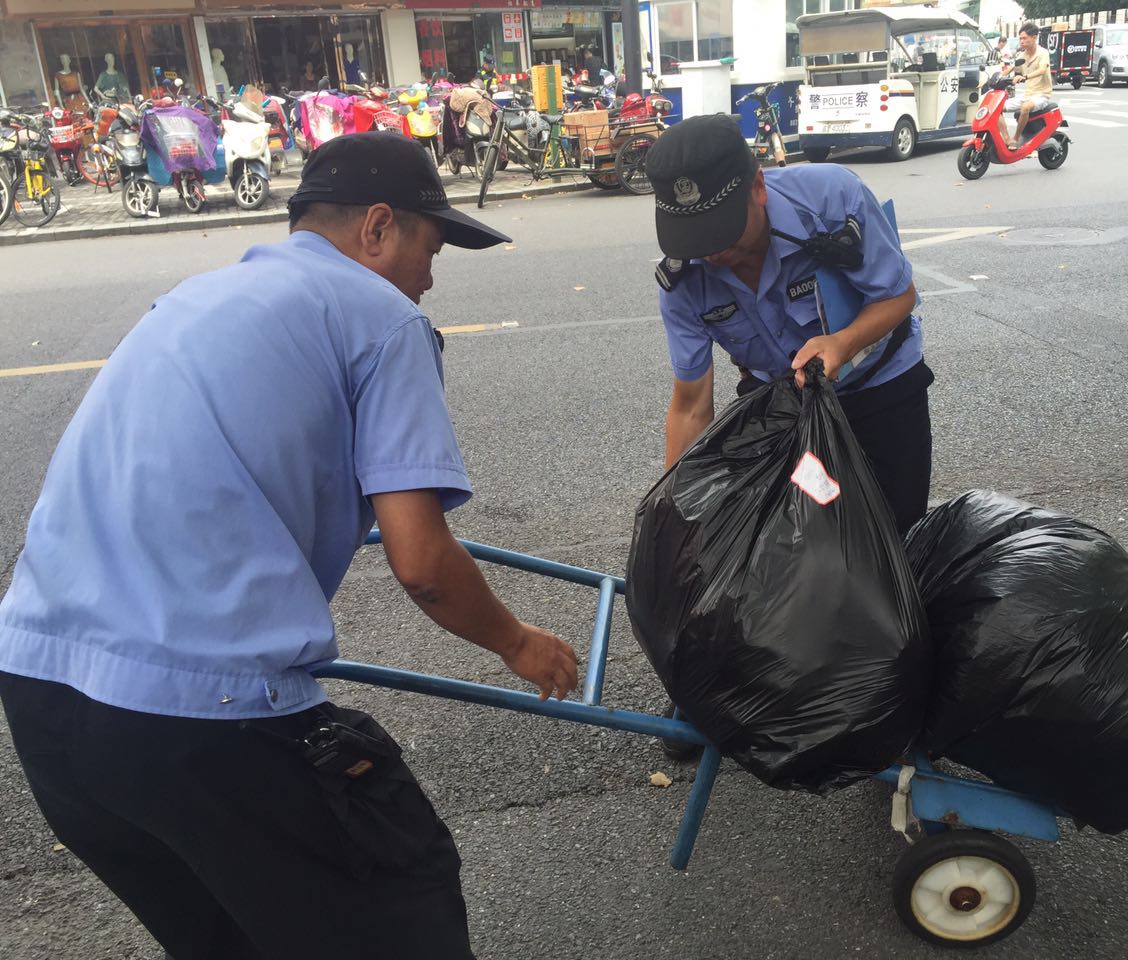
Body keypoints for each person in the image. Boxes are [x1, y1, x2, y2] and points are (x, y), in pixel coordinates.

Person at [0, 132, 578, 960]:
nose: (431, 272)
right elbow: (422, 565)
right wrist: (518, 643)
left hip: (42, 694)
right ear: (378, 227)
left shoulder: (196, 297)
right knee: (399, 905)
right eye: (431, 243)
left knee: (232, 937)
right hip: (202, 716)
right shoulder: (383, 319)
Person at [646, 114, 933, 538]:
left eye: (721, 233)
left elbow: (899, 295)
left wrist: (843, 343)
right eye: (695, 239)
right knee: (795, 550)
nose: (711, 253)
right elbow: (690, 407)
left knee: (896, 538)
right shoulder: (683, 281)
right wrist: (669, 513)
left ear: (758, 188)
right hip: (782, 406)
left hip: (879, 387)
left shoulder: (833, 199)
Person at [1000, 23, 1051, 150]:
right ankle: (1007, 139)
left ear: (1034, 37)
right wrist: (992, 77)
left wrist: (1025, 77)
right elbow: (1010, 70)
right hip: (1027, 95)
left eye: (1024, 38)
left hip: (1041, 95)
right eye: (1020, 39)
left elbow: (1042, 70)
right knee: (996, 108)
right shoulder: (1021, 56)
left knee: (1025, 107)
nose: (1021, 41)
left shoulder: (1043, 53)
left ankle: (1016, 138)